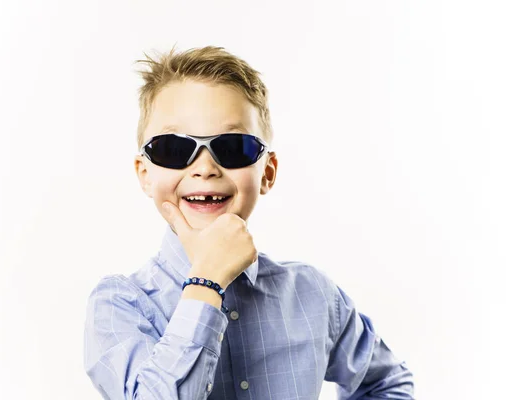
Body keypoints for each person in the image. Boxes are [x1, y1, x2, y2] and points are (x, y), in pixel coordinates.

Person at [83, 45, 415, 399]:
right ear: (145, 174)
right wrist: (206, 281)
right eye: (173, 148)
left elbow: (386, 382)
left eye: (233, 146)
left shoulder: (313, 294)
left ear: (267, 172)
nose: (205, 167)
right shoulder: (119, 304)